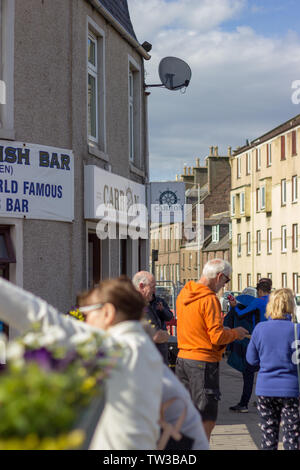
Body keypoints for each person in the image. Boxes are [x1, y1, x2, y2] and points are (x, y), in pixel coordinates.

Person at [0, 276, 163, 450]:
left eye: (87, 314)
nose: (85, 321)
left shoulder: (120, 348)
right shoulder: (146, 351)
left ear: (107, 313)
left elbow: (44, 319)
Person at [175, 258, 249, 441]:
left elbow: (197, 327)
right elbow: (216, 337)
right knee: (205, 418)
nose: (225, 285)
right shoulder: (210, 300)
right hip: (203, 362)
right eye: (227, 280)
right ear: (219, 276)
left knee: (185, 416)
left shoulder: (184, 294)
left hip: (183, 357)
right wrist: (235, 333)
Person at [246, 288, 300, 450]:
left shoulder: (260, 329)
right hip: (292, 390)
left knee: (268, 437)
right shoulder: (297, 329)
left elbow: (251, 360)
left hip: (266, 389)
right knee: (292, 436)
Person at [227, 278, 272, 413]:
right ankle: (267, 402)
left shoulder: (258, 301)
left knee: (248, 372)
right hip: (273, 339)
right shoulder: (275, 300)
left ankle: (243, 404)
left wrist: (234, 305)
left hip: (259, 338)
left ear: (259, 290)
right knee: (268, 371)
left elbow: (241, 314)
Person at [132, 271, 172, 365]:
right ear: (141, 286)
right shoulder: (139, 305)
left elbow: (169, 316)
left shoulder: (152, 302)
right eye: (152, 286)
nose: (154, 290)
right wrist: (166, 335)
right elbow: (156, 336)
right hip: (148, 361)